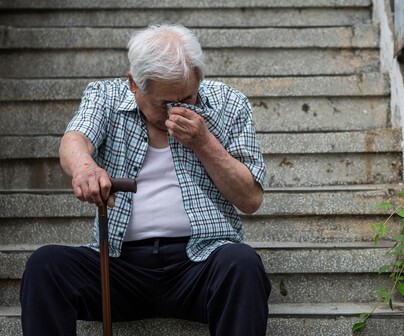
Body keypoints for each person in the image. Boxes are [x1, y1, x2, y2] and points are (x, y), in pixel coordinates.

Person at [20, 24, 271, 336]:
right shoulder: (105, 97)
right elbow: (75, 139)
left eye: (189, 96)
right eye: (166, 102)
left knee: (243, 263)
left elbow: (251, 200)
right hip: (119, 266)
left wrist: (204, 142)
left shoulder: (229, 103)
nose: (178, 108)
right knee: (46, 265)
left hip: (202, 262)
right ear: (133, 84)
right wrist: (85, 168)